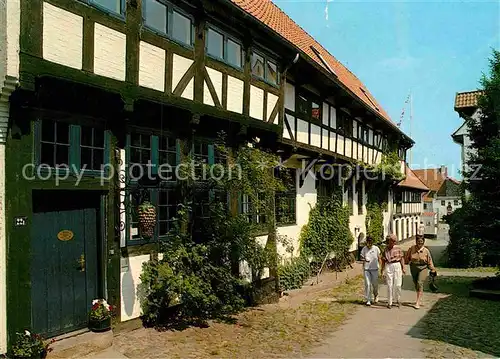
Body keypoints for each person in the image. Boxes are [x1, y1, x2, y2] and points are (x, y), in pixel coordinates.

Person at [405, 234, 436, 309]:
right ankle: (419, 295)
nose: (420, 243)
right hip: (413, 267)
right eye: (418, 242)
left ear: (423, 242)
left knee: (420, 283)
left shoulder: (426, 251)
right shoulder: (412, 249)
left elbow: (429, 260)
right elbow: (407, 257)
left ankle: (418, 301)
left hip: (423, 268)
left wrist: (432, 269)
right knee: (416, 283)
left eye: (421, 242)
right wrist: (404, 265)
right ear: (416, 242)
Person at [381, 234, 405, 308]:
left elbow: (401, 258)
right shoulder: (385, 249)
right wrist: (382, 270)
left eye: (394, 241)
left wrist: (403, 267)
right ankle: (390, 302)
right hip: (389, 265)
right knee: (389, 285)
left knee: (398, 284)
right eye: (391, 241)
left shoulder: (398, 248)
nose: (393, 242)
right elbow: (383, 260)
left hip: (397, 265)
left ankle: (398, 299)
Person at [360, 236, 381, 306]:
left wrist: (380, 268)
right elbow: (361, 257)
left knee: (375, 284)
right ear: (367, 242)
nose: (369, 244)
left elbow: (379, 258)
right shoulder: (364, 249)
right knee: (368, 284)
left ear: (372, 242)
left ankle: (376, 295)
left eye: (371, 242)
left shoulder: (376, 248)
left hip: (375, 269)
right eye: (368, 242)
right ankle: (368, 299)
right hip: (367, 269)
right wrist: (364, 260)